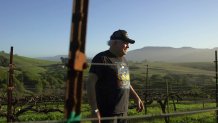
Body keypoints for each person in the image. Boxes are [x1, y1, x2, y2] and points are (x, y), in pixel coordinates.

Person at [87, 29, 144, 123]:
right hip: (106, 114)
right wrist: (95, 110)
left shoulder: (123, 60)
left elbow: (125, 82)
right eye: (125, 43)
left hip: (123, 112)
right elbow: (90, 83)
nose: (128, 46)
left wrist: (136, 97)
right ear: (114, 43)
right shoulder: (102, 58)